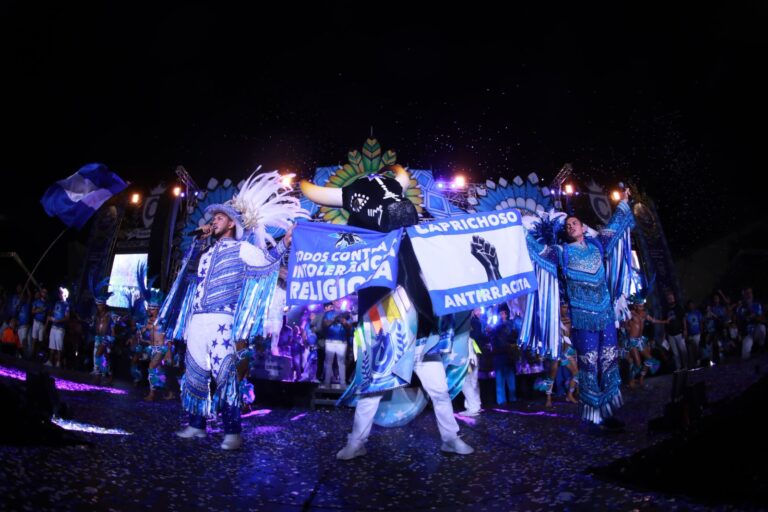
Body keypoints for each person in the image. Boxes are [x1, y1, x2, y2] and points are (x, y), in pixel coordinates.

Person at [159, 171, 306, 450]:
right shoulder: (205, 253)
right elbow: (189, 279)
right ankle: (196, 425)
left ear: (231, 224)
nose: (212, 221)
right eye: (212, 218)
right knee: (195, 373)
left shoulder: (242, 249)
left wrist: (285, 244)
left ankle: (232, 432)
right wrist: (197, 245)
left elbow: (266, 264)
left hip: (222, 321)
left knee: (225, 375)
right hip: (198, 321)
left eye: (218, 218)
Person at [524, 189, 634, 429]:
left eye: (574, 223)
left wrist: (624, 203)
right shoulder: (561, 253)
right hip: (583, 320)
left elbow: (615, 226)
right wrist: (517, 227)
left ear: (583, 228)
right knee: (589, 364)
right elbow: (535, 249)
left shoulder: (599, 245)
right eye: (567, 226)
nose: (570, 226)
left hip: (605, 315)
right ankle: (595, 416)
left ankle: (609, 411)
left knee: (608, 361)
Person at [322, 302, 350, 388]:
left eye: (340, 301)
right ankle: (326, 384)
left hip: (342, 342)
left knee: (341, 363)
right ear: (334, 303)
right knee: (328, 363)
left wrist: (343, 321)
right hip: (330, 341)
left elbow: (349, 327)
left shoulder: (346, 313)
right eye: (337, 301)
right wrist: (334, 319)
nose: (339, 302)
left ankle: (343, 384)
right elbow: (325, 324)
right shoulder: (328, 313)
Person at [45, 287, 70, 368]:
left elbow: (67, 318)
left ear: (65, 295)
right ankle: (50, 361)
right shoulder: (57, 303)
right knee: (52, 345)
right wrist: (50, 318)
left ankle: (58, 362)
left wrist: (58, 321)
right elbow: (53, 312)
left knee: (59, 346)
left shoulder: (67, 305)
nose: (60, 294)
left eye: (61, 293)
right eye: (60, 293)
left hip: (60, 329)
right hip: (53, 327)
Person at [663, 290, 687, 370]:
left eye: (671, 297)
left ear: (674, 298)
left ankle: (685, 366)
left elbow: (683, 318)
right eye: (669, 298)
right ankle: (679, 367)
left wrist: (685, 329)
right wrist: (665, 334)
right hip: (670, 334)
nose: (670, 299)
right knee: (675, 352)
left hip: (679, 332)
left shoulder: (678, 307)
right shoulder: (665, 309)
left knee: (683, 351)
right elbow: (664, 322)